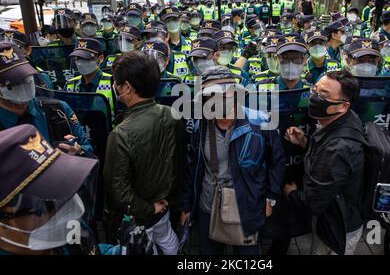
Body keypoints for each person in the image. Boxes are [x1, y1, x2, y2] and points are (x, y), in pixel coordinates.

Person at [179, 66, 286, 255]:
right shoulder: (200, 126)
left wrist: (271, 198)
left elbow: (277, 162)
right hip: (208, 206)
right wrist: (187, 205)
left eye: (224, 96)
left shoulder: (261, 123)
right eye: (211, 97)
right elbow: (192, 167)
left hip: (247, 205)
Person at [103, 51, 185, 254]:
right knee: (166, 238)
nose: (115, 87)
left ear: (127, 87)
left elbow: (118, 193)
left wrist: (149, 209)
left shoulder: (120, 133)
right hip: (164, 205)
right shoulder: (172, 113)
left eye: (117, 82)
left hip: (142, 216)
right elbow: (179, 160)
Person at [0, 124, 117, 255]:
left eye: (62, 195)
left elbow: (87, 248)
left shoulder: (64, 228)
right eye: (46, 205)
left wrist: (119, 251)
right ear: (5, 223)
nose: (62, 210)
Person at [284, 70, 365, 255]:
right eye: (315, 90)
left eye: (323, 95)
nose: (315, 97)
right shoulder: (343, 120)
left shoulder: (338, 148)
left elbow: (314, 202)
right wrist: (305, 142)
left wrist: (292, 194)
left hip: (336, 229)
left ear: (343, 106)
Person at [0, 42, 93, 155]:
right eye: (12, 81)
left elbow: (88, 149)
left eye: (27, 76)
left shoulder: (59, 110)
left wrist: (78, 151)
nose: (24, 83)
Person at [64, 38, 115, 115]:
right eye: (78, 58)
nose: (80, 63)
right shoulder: (70, 85)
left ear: (100, 59)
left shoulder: (113, 83)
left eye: (87, 58)